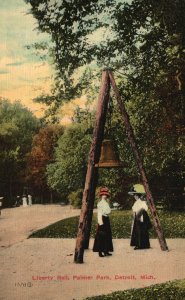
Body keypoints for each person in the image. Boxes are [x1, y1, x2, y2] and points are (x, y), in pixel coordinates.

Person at [129, 184, 152, 250]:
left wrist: (139, 214)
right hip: (137, 217)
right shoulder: (136, 202)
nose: (135, 197)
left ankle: (143, 245)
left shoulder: (142, 202)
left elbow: (145, 208)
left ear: (138, 195)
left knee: (141, 230)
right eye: (134, 195)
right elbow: (134, 210)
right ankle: (139, 244)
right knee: (138, 231)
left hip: (141, 217)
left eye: (136, 195)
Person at [93, 187, 113, 257]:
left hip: (106, 219)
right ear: (101, 195)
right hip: (102, 219)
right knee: (101, 236)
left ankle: (106, 250)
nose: (104, 196)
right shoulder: (100, 204)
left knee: (107, 235)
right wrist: (100, 223)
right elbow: (99, 213)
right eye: (103, 195)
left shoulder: (106, 203)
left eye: (106, 195)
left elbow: (109, 211)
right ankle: (100, 252)